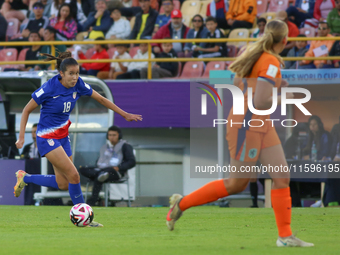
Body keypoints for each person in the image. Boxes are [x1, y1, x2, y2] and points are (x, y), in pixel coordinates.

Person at [166, 20, 314, 247]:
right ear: (285, 40)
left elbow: (240, 84)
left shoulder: (254, 54)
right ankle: (181, 204)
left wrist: (273, 85)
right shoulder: (270, 61)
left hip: (258, 122)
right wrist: (281, 91)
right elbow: (260, 100)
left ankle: (285, 237)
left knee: (281, 176)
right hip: (247, 124)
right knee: (237, 184)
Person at [14, 51, 142, 227]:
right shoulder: (49, 88)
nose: (75, 77)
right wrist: (21, 137)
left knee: (63, 183)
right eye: (71, 74)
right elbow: (27, 110)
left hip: (63, 136)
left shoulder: (78, 84)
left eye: (77, 73)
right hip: (46, 137)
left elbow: (101, 99)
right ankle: (85, 220)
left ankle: (25, 178)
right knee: (74, 175)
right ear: (61, 74)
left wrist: (124, 114)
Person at [79, 126, 136, 206]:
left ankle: (93, 199)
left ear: (119, 136)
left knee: (104, 174)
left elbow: (132, 162)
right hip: (101, 169)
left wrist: (119, 167)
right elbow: (99, 161)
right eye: (110, 135)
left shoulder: (125, 146)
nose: (111, 137)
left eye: (114, 135)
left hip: (115, 172)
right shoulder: (104, 147)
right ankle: (100, 175)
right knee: (83, 169)